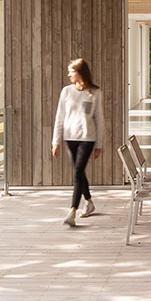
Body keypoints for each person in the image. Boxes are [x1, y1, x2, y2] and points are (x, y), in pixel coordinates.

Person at [52, 57, 104, 226]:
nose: (69, 75)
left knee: (77, 172)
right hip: (70, 138)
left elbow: (100, 119)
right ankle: (89, 202)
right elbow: (59, 117)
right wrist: (56, 141)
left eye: (72, 72)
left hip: (87, 138)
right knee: (79, 172)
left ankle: (72, 211)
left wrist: (99, 145)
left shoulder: (95, 93)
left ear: (81, 73)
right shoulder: (66, 92)